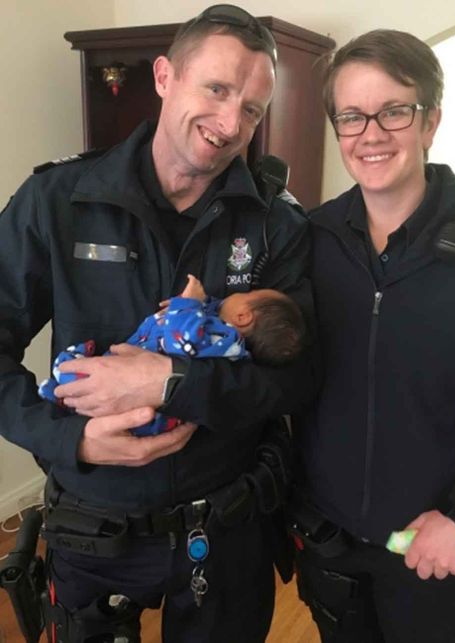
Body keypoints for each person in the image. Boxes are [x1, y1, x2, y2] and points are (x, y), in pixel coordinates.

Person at [0, 5, 313, 642]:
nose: (231, 125)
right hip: (94, 528)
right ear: (165, 76)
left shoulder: (276, 224)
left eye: (252, 109)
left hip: (226, 529)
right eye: (217, 89)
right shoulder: (59, 199)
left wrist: (169, 380)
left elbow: (298, 379)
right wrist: (70, 441)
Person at [292, 29, 455, 643]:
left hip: (437, 545)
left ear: (430, 120)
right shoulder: (310, 240)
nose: (371, 134)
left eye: (394, 111)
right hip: (329, 542)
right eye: (352, 116)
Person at [39, 274, 306, 435]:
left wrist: (188, 303)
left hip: (145, 409)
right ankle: (60, 393)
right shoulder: (221, 332)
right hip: (133, 391)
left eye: (247, 293)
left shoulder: (226, 339)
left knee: (77, 373)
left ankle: (63, 377)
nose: (237, 293)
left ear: (243, 317)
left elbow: (183, 344)